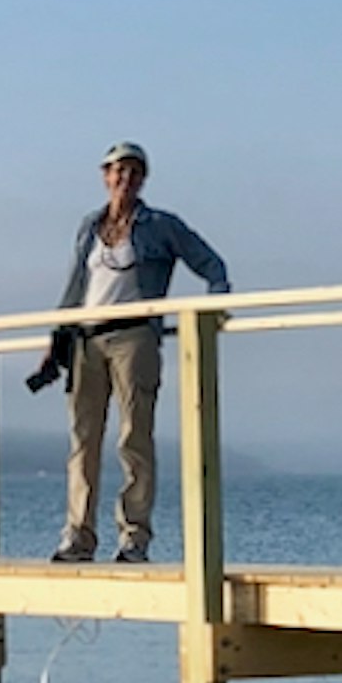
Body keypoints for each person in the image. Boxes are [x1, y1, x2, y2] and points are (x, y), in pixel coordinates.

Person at [39, 141, 228, 563]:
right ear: (104, 176)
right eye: (117, 170)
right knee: (83, 440)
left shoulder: (160, 225)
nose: (124, 178)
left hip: (134, 337)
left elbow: (212, 265)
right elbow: (74, 287)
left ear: (143, 179)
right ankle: (77, 536)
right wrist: (57, 337)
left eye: (133, 171)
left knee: (134, 437)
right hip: (87, 338)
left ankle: (134, 536)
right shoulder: (90, 225)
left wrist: (214, 307)